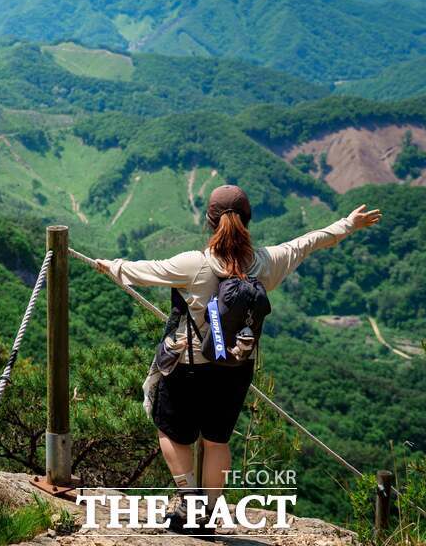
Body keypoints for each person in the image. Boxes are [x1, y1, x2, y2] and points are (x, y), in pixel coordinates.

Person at [96, 183, 381, 532]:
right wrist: (347, 224)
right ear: (248, 219)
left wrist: (110, 265)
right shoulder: (265, 263)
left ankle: (188, 502)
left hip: (187, 367)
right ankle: (211, 512)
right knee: (217, 441)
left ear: (209, 221)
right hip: (235, 369)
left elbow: (141, 271)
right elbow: (307, 242)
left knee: (171, 432)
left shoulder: (193, 264)